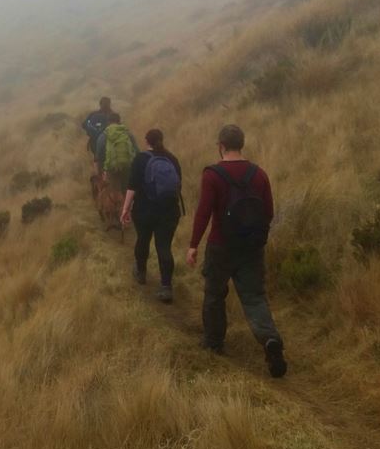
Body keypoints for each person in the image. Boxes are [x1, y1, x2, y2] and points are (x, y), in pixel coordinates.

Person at [186, 124, 287, 378]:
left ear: (221, 146)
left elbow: (203, 212)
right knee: (254, 297)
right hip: (251, 247)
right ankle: (269, 339)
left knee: (214, 295)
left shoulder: (212, 174)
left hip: (221, 245)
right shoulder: (259, 174)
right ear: (241, 144)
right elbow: (269, 212)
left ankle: (213, 342)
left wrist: (193, 245)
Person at [120, 129, 182, 303]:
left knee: (143, 239)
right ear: (161, 140)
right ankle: (166, 286)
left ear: (146, 141)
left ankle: (140, 272)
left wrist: (125, 209)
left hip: (144, 210)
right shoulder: (173, 159)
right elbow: (178, 187)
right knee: (164, 247)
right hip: (169, 212)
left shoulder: (140, 159)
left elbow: (132, 186)